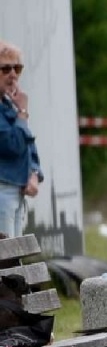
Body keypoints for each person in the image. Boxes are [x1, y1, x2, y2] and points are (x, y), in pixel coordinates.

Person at [0, 41, 41, 237]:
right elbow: (12, 144)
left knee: (15, 256)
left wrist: (34, 172)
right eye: (5, 69)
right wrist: (23, 112)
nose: (13, 75)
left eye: (17, 68)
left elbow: (28, 143)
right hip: (2, 190)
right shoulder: (17, 110)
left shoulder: (10, 105)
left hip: (16, 190)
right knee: (5, 257)